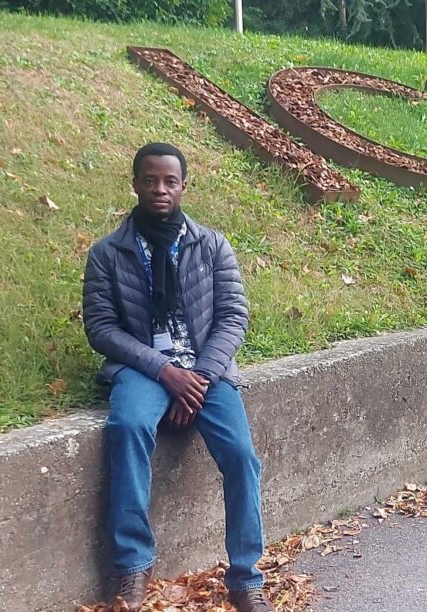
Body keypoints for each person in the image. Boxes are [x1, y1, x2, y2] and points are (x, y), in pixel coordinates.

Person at [82, 143, 273, 611]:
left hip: (206, 371)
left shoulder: (212, 246)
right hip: (145, 370)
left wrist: (200, 378)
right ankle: (132, 568)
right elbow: (102, 328)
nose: (160, 189)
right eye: (150, 180)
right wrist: (166, 372)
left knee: (243, 457)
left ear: (184, 186)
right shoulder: (108, 253)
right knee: (127, 427)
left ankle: (246, 579)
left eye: (170, 181)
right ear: (135, 185)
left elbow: (233, 317)